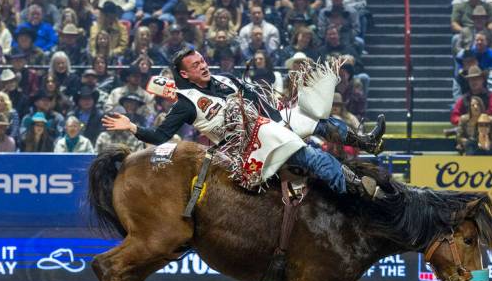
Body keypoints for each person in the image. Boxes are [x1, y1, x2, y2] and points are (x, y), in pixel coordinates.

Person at [102, 48, 386, 199]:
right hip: (246, 148)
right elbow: (160, 134)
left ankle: (366, 142)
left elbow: (255, 98)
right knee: (309, 155)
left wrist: (279, 120)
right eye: (194, 64)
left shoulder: (226, 78)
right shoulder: (186, 103)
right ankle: (356, 187)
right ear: (185, 75)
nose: (202, 64)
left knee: (314, 119)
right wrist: (132, 128)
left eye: (201, 59)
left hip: (268, 124)